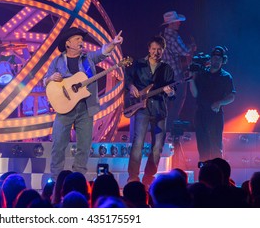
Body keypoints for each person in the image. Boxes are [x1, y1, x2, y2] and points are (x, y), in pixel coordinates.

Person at [44, 26, 123, 180]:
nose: (82, 42)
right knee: (58, 145)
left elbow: (103, 52)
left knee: (84, 147)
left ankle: (78, 179)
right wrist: (51, 78)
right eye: (78, 39)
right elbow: (45, 80)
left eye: (82, 39)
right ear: (68, 43)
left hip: (86, 108)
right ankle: (55, 180)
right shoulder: (57, 60)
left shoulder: (88, 59)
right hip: (64, 108)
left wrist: (113, 43)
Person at [125, 35, 175, 186]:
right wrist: (132, 87)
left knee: (157, 146)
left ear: (163, 51)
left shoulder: (167, 68)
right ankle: (133, 177)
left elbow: (173, 92)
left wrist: (170, 92)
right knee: (138, 143)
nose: (156, 52)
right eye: (153, 49)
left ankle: (148, 178)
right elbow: (127, 79)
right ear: (149, 49)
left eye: (159, 50)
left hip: (160, 109)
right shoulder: (139, 64)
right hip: (141, 108)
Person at [188, 45, 235, 161]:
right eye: (214, 58)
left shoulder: (226, 76)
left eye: (219, 59)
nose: (216, 60)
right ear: (211, 58)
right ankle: (204, 174)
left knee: (215, 146)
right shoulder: (202, 73)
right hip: (200, 114)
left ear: (223, 60)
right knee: (202, 147)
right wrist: (191, 79)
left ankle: (217, 174)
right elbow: (195, 94)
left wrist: (220, 103)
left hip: (215, 115)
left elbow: (232, 96)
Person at [161, 11, 195, 129]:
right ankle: (172, 123)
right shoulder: (173, 36)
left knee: (169, 100)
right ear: (172, 23)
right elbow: (185, 51)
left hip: (165, 75)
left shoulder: (163, 36)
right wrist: (192, 47)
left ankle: (167, 123)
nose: (179, 23)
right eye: (177, 22)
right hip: (175, 74)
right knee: (179, 97)